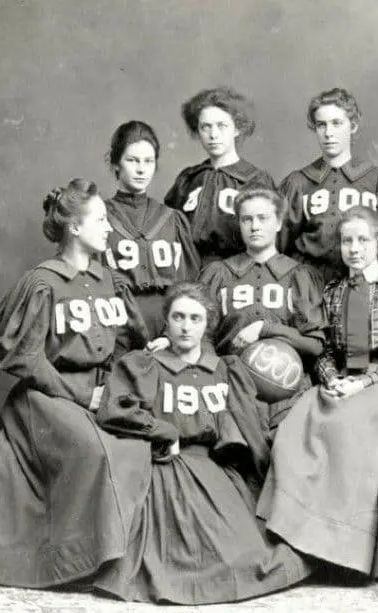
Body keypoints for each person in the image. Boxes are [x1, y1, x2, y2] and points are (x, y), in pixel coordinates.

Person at [0, 179, 151, 589]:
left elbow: (132, 341)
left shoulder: (108, 280)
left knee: (135, 444)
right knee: (92, 451)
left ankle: (118, 553)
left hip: (103, 388)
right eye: (100, 220)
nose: (109, 228)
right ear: (75, 228)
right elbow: (28, 357)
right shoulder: (43, 282)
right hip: (48, 394)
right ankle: (73, 562)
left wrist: (115, 389)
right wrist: (82, 395)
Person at [92, 283, 312, 604]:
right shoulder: (147, 364)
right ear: (165, 323)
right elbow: (114, 409)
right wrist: (160, 430)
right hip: (165, 469)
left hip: (215, 468)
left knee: (247, 556)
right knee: (178, 554)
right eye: (178, 317)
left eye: (195, 319)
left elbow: (248, 425)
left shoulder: (224, 369)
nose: (185, 326)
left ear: (206, 325)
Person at [256, 206, 378, 577]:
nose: (355, 248)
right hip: (341, 379)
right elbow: (326, 352)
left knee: (346, 429)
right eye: (348, 241)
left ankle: (345, 548)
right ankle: (301, 536)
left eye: (363, 240)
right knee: (296, 426)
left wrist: (361, 383)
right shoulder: (332, 293)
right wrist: (332, 379)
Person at [199, 188, 326, 438]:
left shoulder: (299, 276)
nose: (254, 226)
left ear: (278, 222)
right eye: (247, 219)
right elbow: (202, 338)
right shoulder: (219, 274)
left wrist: (266, 328)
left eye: (263, 218)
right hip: (231, 389)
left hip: (289, 391)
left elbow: (315, 346)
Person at [279, 88, 378, 287]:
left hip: (365, 286)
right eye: (321, 125)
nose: (329, 133)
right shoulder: (298, 183)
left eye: (337, 123)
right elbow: (278, 245)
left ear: (353, 125)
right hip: (309, 287)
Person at [103, 121, 200, 343]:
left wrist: (170, 336)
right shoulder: (100, 217)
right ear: (116, 163)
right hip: (117, 330)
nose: (141, 169)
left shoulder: (172, 220)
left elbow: (188, 286)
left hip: (168, 332)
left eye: (148, 161)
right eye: (132, 160)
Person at [165, 87, 275, 265]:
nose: (213, 135)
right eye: (205, 127)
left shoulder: (255, 180)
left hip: (236, 272)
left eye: (221, 126)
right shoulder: (189, 179)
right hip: (189, 272)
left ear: (237, 129)